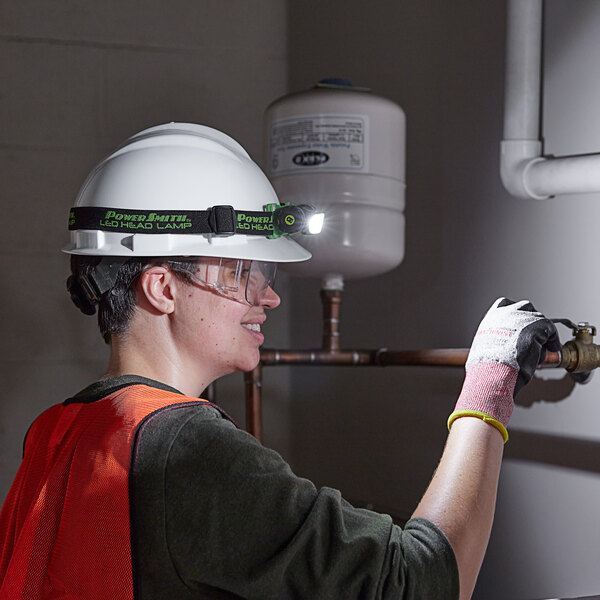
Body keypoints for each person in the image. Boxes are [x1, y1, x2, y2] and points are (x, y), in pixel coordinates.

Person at [0, 123, 560, 600]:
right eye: (242, 274)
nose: (266, 297)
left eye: (266, 276)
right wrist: (491, 382)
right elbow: (419, 584)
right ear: (163, 287)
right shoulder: (186, 449)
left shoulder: (59, 432)